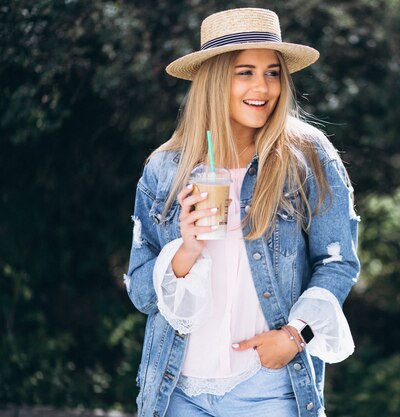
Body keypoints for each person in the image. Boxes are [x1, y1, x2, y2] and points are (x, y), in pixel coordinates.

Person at [124, 7, 360, 417]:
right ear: (215, 79)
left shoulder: (307, 156)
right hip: (177, 389)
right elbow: (143, 293)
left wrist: (295, 334)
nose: (263, 87)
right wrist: (186, 250)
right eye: (245, 71)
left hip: (269, 390)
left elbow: (338, 262)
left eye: (272, 72)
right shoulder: (166, 168)